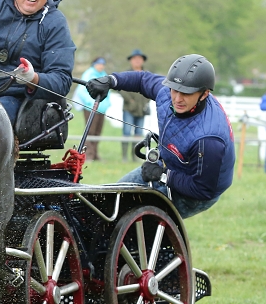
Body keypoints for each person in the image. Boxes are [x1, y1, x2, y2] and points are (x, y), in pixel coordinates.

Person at [85, 54, 235, 219]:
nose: (177, 99)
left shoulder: (210, 139)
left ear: (204, 94)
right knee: (109, 201)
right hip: (166, 165)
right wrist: (111, 80)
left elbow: (203, 189)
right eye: (175, 90)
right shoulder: (167, 92)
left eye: (185, 93)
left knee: (132, 218)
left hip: (196, 192)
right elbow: (142, 79)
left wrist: (163, 175)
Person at [74, 57, 110, 160]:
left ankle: (94, 154)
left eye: (103, 64)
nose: (101, 66)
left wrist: (108, 103)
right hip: (91, 108)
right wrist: (91, 102)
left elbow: (108, 91)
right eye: (99, 63)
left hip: (102, 109)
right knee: (90, 132)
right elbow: (81, 91)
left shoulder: (104, 74)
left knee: (97, 132)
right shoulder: (88, 74)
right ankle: (88, 155)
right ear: (94, 64)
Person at [120, 49, 151, 161]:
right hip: (128, 108)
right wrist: (130, 100)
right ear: (131, 61)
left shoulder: (147, 75)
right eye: (135, 59)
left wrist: (146, 102)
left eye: (139, 59)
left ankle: (135, 156)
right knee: (126, 132)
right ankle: (124, 157)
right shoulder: (126, 74)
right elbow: (121, 89)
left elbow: (150, 89)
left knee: (138, 133)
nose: (137, 61)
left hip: (141, 109)